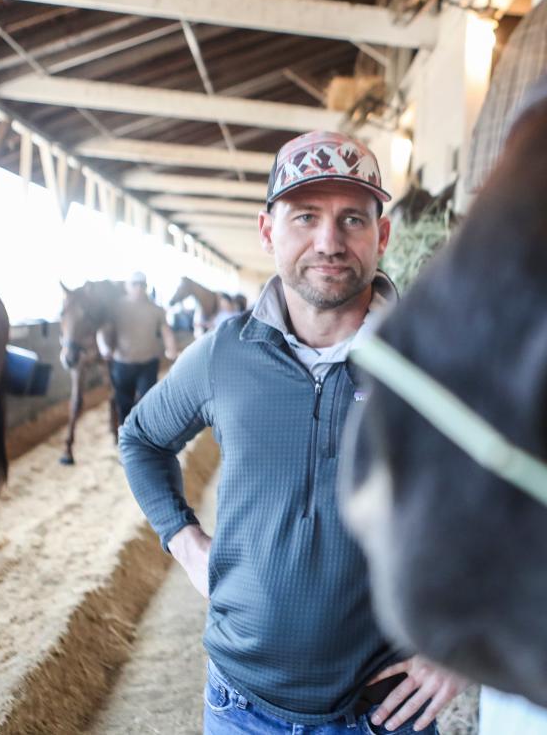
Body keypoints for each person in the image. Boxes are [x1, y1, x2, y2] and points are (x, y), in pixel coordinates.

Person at [120, 131, 467, 734]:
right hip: (241, 710)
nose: (328, 242)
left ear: (382, 236)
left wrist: (463, 640)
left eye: (352, 219)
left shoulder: (432, 358)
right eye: (305, 216)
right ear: (267, 230)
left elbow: (511, 500)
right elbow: (141, 439)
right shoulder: (222, 355)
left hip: (382, 715)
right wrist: (182, 538)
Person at [98, 271, 178, 426]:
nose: (138, 288)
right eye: (134, 284)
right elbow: (102, 330)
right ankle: (125, 436)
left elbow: (166, 332)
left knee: (148, 402)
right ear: (127, 286)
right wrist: (103, 348)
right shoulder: (116, 308)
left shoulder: (156, 309)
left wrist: (172, 350)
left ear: (146, 286)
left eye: (142, 284)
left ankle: (145, 436)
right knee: (124, 404)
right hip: (122, 364)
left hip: (148, 364)